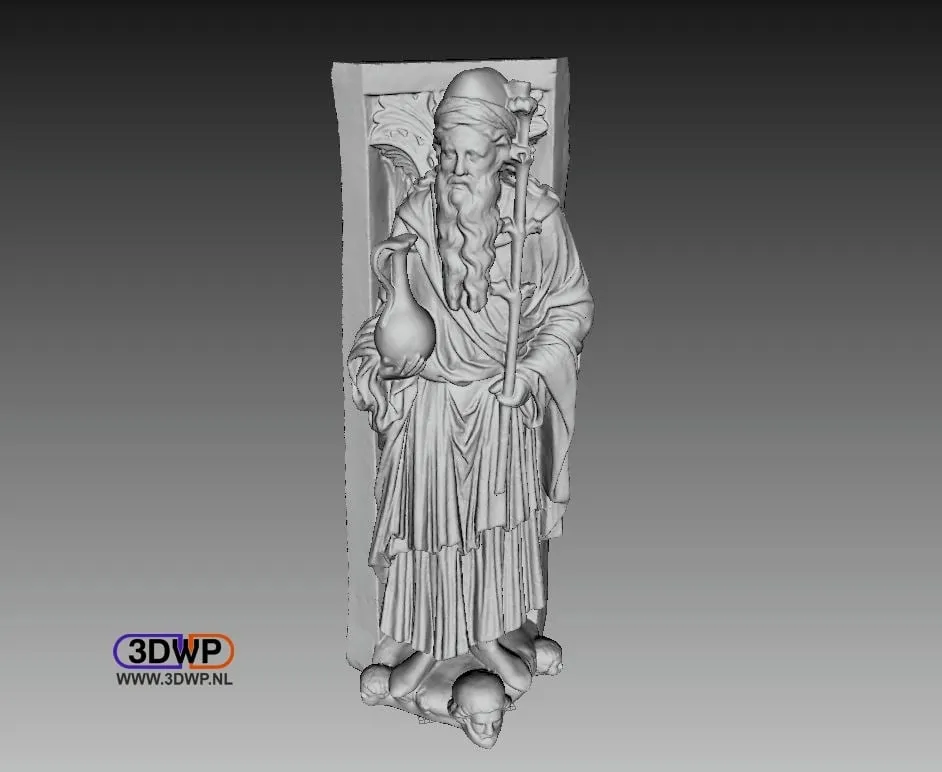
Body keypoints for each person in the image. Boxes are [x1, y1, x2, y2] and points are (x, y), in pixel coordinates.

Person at [348, 66, 593, 695]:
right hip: (431, 404)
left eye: (473, 156)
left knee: (493, 528)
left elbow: (571, 308)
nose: (457, 170)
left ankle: (492, 634)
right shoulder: (416, 214)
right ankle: (430, 640)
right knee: (430, 530)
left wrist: (532, 372)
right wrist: (380, 364)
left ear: (502, 152)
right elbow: (390, 316)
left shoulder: (535, 218)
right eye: (447, 154)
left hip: (497, 403)